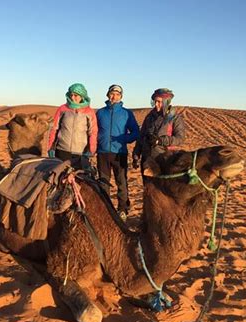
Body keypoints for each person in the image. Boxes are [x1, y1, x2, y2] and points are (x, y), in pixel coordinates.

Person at [96, 84, 139, 221]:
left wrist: (123, 139)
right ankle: (105, 209)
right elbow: (93, 130)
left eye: (117, 94)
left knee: (121, 182)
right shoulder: (100, 113)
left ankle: (123, 210)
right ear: (108, 95)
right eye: (112, 94)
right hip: (102, 153)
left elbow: (135, 132)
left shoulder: (127, 114)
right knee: (103, 182)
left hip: (120, 153)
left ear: (121, 96)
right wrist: (96, 141)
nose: (114, 96)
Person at [132, 88, 185, 174]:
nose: (156, 104)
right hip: (147, 159)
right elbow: (141, 137)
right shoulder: (149, 117)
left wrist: (160, 141)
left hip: (166, 159)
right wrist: (136, 155)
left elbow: (179, 138)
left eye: (159, 102)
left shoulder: (174, 118)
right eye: (155, 101)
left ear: (166, 102)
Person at [47, 83, 97, 169]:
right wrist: (50, 147)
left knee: (79, 179)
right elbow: (54, 128)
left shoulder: (89, 112)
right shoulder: (62, 109)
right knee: (59, 177)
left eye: (76, 95)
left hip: (80, 152)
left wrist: (91, 149)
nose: (73, 97)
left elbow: (93, 132)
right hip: (62, 150)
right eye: (71, 95)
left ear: (82, 96)